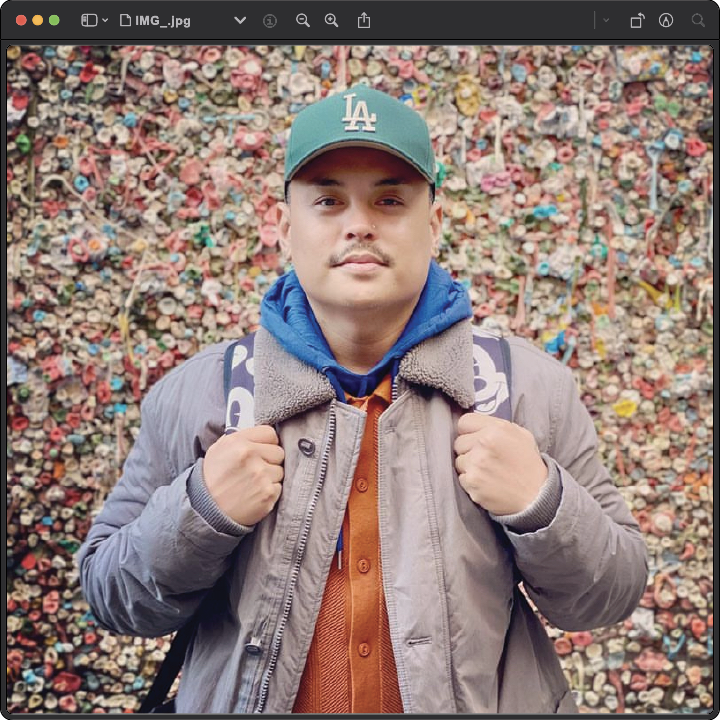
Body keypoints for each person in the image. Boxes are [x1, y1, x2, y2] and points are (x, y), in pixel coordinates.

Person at [78, 84, 648, 714]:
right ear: (283, 225)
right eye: (327, 199)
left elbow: (610, 593)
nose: (359, 224)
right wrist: (201, 511)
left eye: (389, 199)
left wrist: (542, 503)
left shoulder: (526, 388)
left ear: (432, 223)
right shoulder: (204, 393)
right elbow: (112, 595)